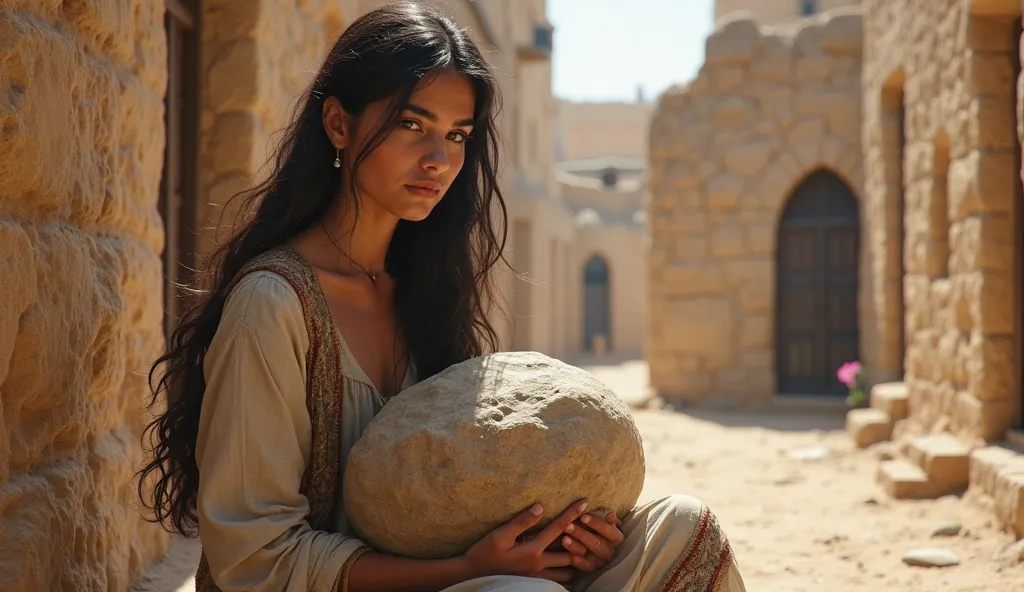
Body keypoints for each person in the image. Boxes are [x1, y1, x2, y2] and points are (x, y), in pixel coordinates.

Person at [137, 3, 747, 591]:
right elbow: (253, 563)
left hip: (463, 575)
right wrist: (465, 571)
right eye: (412, 124)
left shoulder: (426, 293)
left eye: (457, 134)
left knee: (681, 528)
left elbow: (474, 488)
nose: (439, 159)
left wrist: (572, 537)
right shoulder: (272, 305)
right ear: (338, 124)